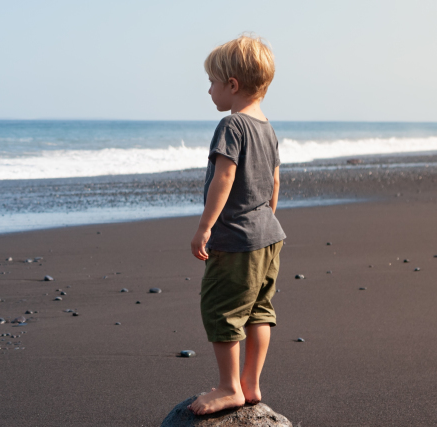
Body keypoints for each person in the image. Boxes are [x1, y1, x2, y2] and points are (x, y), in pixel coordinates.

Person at [186, 34, 287, 415]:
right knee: (260, 310)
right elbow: (275, 181)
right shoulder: (267, 128)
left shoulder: (232, 126)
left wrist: (205, 227)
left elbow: (223, 179)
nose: (209, 89)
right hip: (269, 237)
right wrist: (268, 219)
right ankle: (251, 383)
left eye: (213, 82)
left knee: (221, 310)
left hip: (236, 241)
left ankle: (230, 387)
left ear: (232, 85)